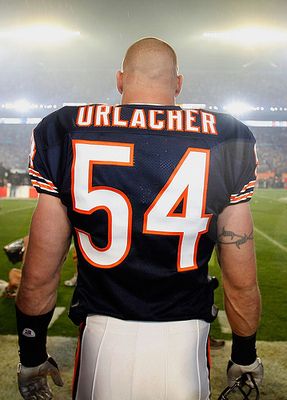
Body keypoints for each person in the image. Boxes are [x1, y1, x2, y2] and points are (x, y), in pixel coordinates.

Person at [16, 37, 263, 400]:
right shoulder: (225, 136)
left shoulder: (66, 130)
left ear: (120, 80)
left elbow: (39, 274)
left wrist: (32, 353)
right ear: (179, 84)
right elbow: (240, 279)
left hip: (103, 335)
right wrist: (244, 355)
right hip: (187, 337)